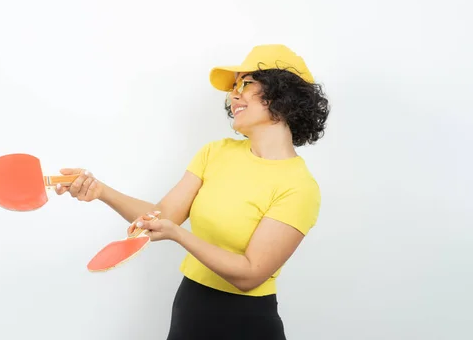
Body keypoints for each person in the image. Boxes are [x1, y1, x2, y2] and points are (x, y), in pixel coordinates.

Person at [55, 44, 330, 339]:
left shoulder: (299, 187)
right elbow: (160, 217)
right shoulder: (215, 153)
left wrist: (178, 234)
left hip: (246, 322)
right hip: (190, 307)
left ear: (284, 95)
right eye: (234, 86)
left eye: (246, 83)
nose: (234, 95)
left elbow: (250, 274)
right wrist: (100, 191)